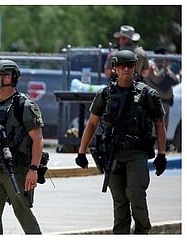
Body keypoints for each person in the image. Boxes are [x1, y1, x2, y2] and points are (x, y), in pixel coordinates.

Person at [75, 50, 167, 234]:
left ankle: (142, 231)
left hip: (137, 153)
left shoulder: (147, 94)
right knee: (119, 201)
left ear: (135, 68)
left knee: (136, 195)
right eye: (122, 66)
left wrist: (162, 154)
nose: (126, 69)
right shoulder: (105, 94)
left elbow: (159, 123)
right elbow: (92, 123)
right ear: (115, 68)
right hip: (113, 155)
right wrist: (81, 152)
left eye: (130, 65)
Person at [0, 59, 44, 234]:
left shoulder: (24, 106)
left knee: (23, 213)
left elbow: (38, 139)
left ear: (8, 77)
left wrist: (33, 169)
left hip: (16, 169)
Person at [144, 47, 180, 131]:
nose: (167, 58)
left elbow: (175, 80)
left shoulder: (164, 67)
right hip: (157, 103)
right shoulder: (151, 65)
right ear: (160, 56)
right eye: (166, 56)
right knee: (156, 131)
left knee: (164, 130)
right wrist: (164, 68)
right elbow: (156, 79)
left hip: (166, 103)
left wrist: (167, 69)